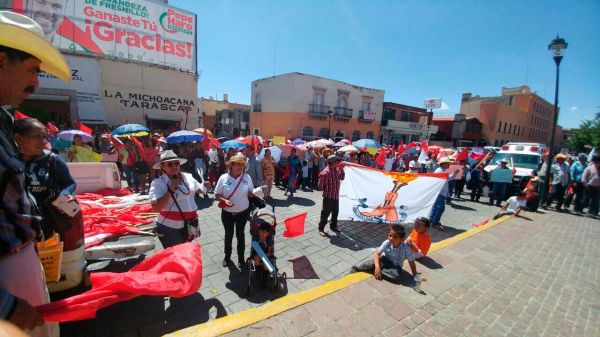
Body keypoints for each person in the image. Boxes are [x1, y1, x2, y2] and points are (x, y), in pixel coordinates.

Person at [0, 10, 71, 336]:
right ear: (2, 62)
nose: (36, 82)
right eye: (31, 70)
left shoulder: (3, 121)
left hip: (21, 264)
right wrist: (6, 305)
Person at [14, 118, 82, 246]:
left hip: (47, 223)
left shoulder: (52, 159)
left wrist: (65, 194)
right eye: (37, 137)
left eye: (44, 137)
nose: (43, 142)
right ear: (19, 138)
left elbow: (69, 182)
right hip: (15, 228)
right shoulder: (8, 162)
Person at [149, 150, 210, 248]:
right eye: (169, 164)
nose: (174, 166)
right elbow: (156, 207)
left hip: (190, 223)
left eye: (176, 163)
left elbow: (197, 189)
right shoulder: (157, 183)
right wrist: (170, 189)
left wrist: (205, 187)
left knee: (187, 251)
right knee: (176, 256)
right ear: (163, 167)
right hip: (170, 227)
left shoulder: (187, 176)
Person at [215, 154, 255, 269]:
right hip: (227, 214)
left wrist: (253, 194)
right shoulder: (223, 178)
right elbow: (217, 195)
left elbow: (251, 192)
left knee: (240, 235)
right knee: (228, 235)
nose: (241, 167)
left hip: (243, 213)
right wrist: (223, 200)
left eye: (242, 164)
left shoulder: (247, 177)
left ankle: (241, 259)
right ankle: (227, 257)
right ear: (231, 166)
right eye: (238, 164)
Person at [351, 225, 418, 284]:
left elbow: (411, 261)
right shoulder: (386, 243)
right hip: (384, 260)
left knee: (396, 277)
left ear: (402, 239)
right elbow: (377, 254)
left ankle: (377, 271)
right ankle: (356, 269)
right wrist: (377, 267)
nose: (391, 238)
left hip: (396, 266)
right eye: (390, 235)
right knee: (370, 263)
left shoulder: (405, 248)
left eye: (395, 237)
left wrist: (415, 275)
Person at [317, 155, 345, 236]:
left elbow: (342, 177)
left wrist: (341, 169)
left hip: (335, 196)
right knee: (325, 214)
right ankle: (321, 228)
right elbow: (320, 187)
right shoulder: (325, 173)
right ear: (334, 162)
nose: (339, 163)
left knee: (335, 213)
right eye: (337, 161)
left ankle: (333, 226)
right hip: (328, 198)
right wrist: (328, 189)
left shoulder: (336, 170)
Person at [428, 157, 457, 231]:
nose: (449, 165)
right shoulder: (440, 171)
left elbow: (449, 178)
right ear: (443, 164)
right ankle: (435, 222)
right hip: (440, 192)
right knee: (440, 208)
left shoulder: (442, 170)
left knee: (436, 207)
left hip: (440, 192)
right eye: (448, 163)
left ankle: (431, 220)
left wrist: (454, 173)